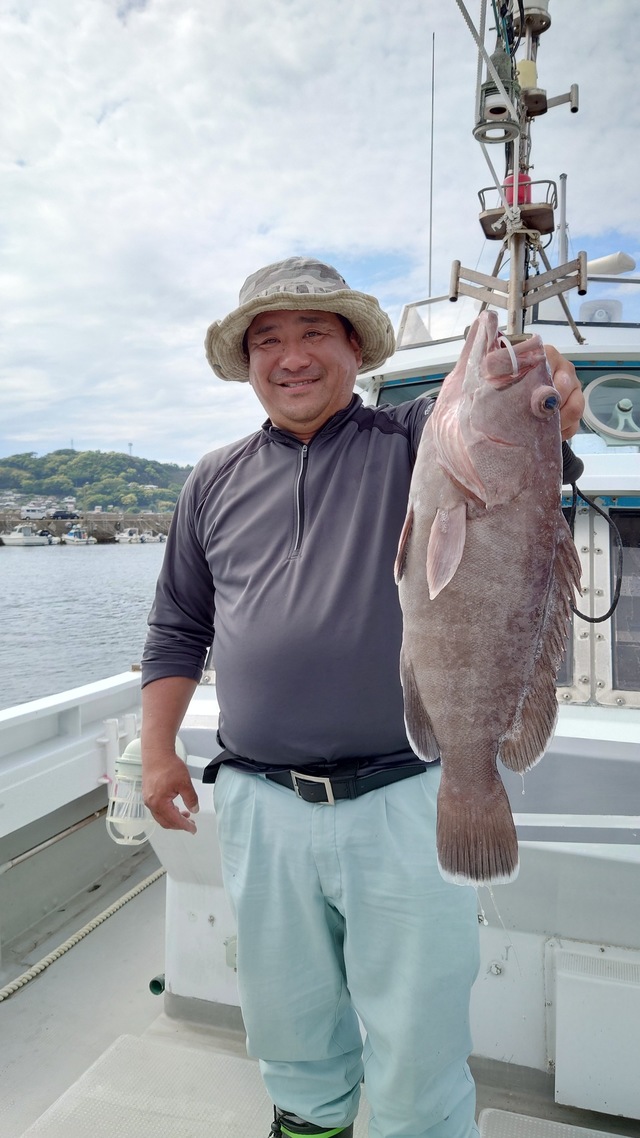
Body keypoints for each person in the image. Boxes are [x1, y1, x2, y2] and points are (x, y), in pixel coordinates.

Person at [140, 257, 584, 1138]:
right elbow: (176, 628)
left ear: (354, 351)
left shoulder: (418, 438)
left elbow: (528, 451)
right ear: (247, 362)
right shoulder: (211, 480)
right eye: (269, 340)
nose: (292, 356)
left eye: (315, 333)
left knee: (419, 1042)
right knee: (289, 1026)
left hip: (407, 796)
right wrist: (157, 753)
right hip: (263, 804)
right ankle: (310, 1122)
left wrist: (553, 398)